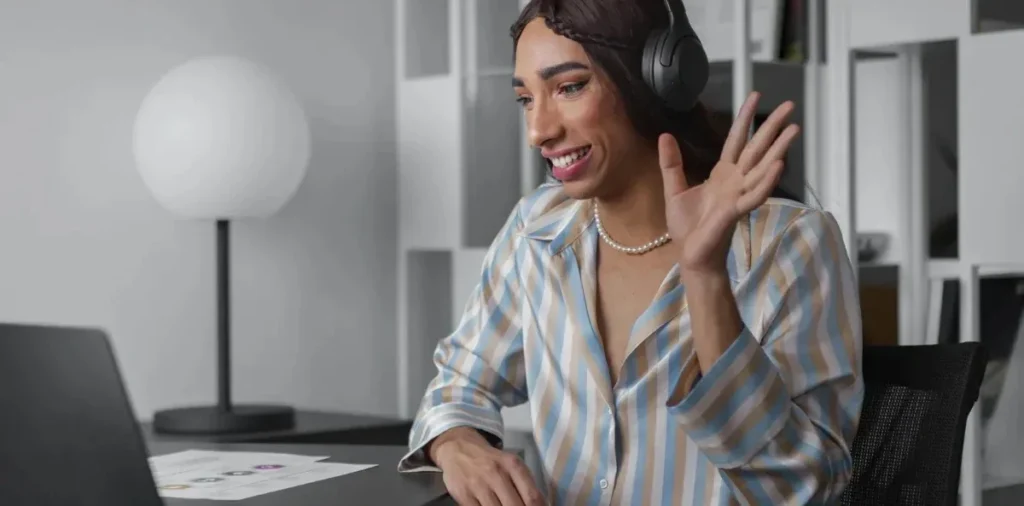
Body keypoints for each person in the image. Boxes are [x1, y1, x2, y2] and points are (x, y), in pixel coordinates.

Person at [398, 0, 864, 504]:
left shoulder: (791, 244)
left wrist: (704, 276)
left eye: (569, 87)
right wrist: (456, 443)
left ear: (657, 79)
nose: (539, 130)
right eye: (526, 99)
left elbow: (807, 487)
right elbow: (461, 382)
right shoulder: (536, 231)